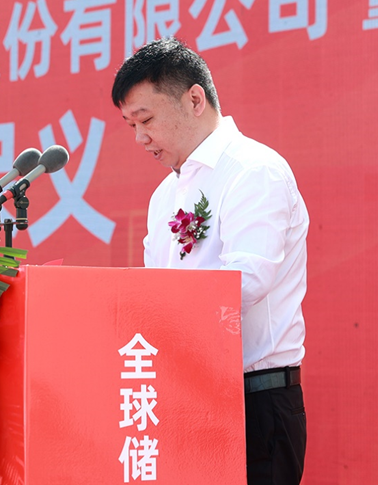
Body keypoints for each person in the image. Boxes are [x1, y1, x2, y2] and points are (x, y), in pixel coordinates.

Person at [112, 37, 308, 485]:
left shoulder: (253, 170)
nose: (140, 138)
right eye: (131, 125)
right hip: (180, 398)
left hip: (253, 404)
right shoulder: (165, 195)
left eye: (146, 119)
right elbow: (153, 290)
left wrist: (158, 313)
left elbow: (245, 282)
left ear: (195, 99)